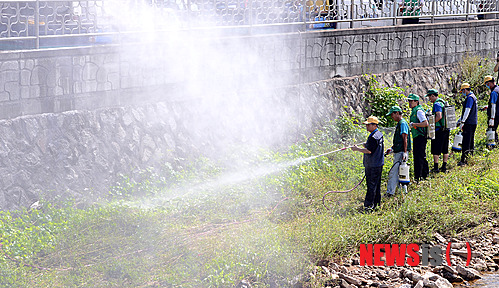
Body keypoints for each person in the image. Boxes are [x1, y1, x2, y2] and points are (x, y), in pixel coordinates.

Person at [351, 116, 384, 212]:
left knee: (371, 186)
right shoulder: (379, 134)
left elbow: (369, 151)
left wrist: (357, 149)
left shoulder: (374, 137)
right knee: (376, 185)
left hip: (373, 165)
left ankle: (368, 207)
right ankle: (377, 204)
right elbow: (374, 148)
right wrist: (366, 145)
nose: (367, 126)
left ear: (374, 125)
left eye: (368, 125)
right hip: (378, 164)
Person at [385, 106, 411, 197]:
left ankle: (390, 192)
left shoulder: (402, 123)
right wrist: (392, 149)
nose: (392, 117)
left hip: (401, 153)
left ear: (397, 113)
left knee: (394, 173)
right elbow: (399, 140)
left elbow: (405, 138)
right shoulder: (399, 123)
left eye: (392, 114)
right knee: (401, 172)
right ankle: (403, 193)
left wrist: (404, 152)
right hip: (399, 151)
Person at [426, 89, 450, 173]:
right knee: (445, 148)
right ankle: (444, 167)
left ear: (433, 95)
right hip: (446, 128)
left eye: (429, 97)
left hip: (439, 129)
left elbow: (439, 116)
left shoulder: (436, 104)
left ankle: (436, 168)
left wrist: (432, 123)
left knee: (436, 148)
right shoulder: (443, 102)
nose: (429, 99)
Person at [408, 94, 429, 182]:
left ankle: (419, 177)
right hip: (417, 136)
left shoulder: (419, 111)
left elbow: (425, 123)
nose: (409, 103)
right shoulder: (414, 110)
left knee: (418, 157)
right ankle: (424, 175)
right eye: (409, 101)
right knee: (419, 156)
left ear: (416, 102)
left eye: (411, 101)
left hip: (420, 136)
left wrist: (414, 125)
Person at [457, 83, 478, 166]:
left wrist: (463, 122)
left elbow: (467, 110)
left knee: (466, 142)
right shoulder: (473, 97)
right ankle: (470, 158)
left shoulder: (469, 98)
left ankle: (464, 161)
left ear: (465, 90)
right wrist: (460, 120)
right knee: (471, 141)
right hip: (473, 122)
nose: (462, 93)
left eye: (462, 91)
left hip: (468, 123)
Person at [484, 76, 499, 144]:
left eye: (487, 84)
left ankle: (492, 144)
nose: (487, 86)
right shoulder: (498, 89)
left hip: (495, 115)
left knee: (492, 130)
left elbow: (493, 105)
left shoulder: (493, 92)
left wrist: (492, 118)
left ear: (490, 83)